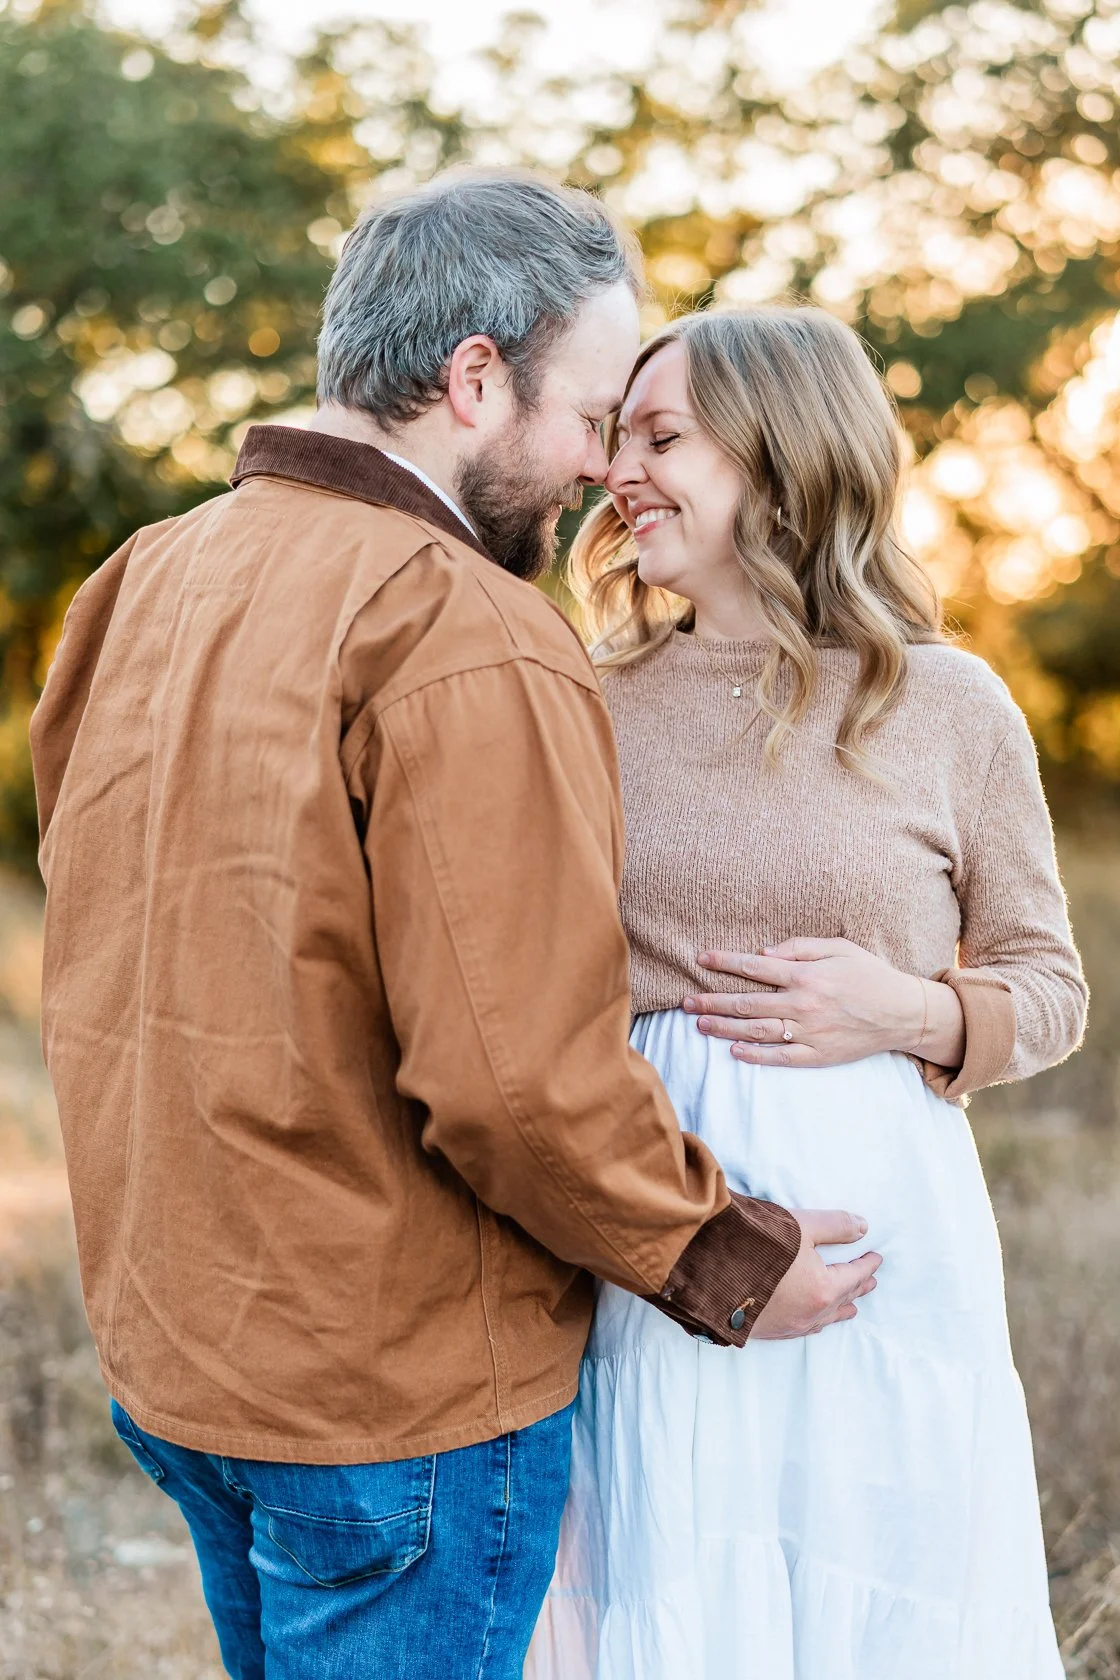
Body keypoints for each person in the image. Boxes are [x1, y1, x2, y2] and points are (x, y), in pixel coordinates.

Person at [29, 174, 886, 1680]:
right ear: (475, 378)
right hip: (387, 1400)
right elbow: (514, 1078)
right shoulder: (466, 628)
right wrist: (724, 1258)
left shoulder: (140, 580)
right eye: (593, 411)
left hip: (178, 1359)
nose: (598, 467)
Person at [526, 305, 1087, 1680]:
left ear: (781, 458)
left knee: (876, 1614)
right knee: (679, 1596)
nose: (619, 473)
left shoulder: (950, 706)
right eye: (617, 439)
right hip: (672, 1244)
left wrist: (919, 1013)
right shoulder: (580, 703)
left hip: (890, 1266)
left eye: (663, 438)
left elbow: (1051, 987)